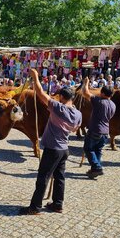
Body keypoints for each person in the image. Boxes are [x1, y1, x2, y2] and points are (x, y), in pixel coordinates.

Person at [19, 69, 82, 215]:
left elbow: (40, 93)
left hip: (53, 148)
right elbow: (75, 129)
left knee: (43, 177)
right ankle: (58, 205)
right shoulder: (77, 113)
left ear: (61, 97)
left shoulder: (58, 108)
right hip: (64, 148)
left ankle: (35, 207)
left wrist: (35, 77)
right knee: (60, 177)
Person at [81, 77, 116, 179]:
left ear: (104, 94)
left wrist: (86, 83)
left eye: (101, 92)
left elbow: (85, 93)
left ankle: (97, 167)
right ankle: (93, 170)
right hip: (105, 131)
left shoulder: (99, 101)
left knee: (88, 149)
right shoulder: (113, 105)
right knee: (98, 151)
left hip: (95, 130)